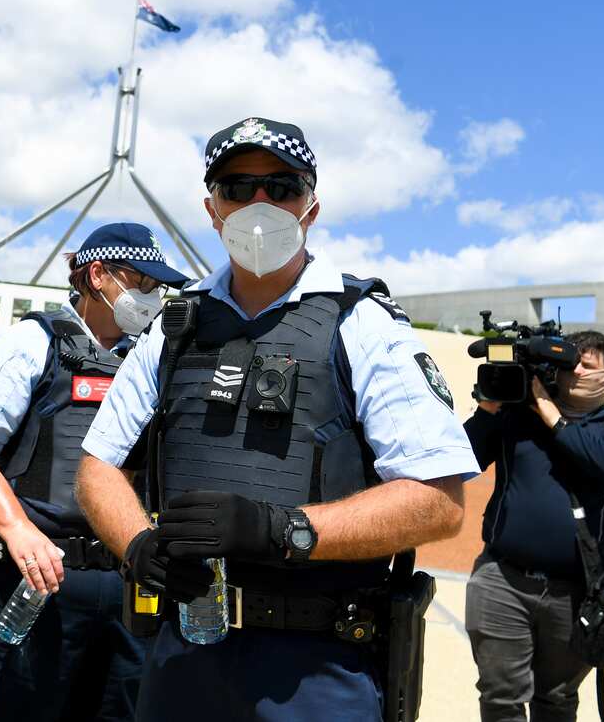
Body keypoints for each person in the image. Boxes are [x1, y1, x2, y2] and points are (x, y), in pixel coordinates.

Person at [76, 117, 481, 721]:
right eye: (238, 188)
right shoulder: (174, 324)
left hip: (318, 667)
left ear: (310, 206)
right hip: (183, 654)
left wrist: (281, 529)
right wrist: (137, 546)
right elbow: (97, 467)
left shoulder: (362, 323)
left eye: (282, 186)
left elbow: (438, 501)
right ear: (211, 208)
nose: (258, 204)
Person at [0, 222, 189, 722]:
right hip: (35, 584)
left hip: (129, 589)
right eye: (141, 282)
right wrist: (18, 530)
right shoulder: (30, 344)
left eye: (157, 287)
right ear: (97, 275)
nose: (151, 296)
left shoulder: (154, 359)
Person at [464, 330, 604, 722]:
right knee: (500, 696)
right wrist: (489, 408)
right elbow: (461, 462)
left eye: (589, 363)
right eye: (572, 361)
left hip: (578, 591)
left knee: (557, 698)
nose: (578, 369)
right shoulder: (516, 418)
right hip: (503, 580)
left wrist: (553, 417)